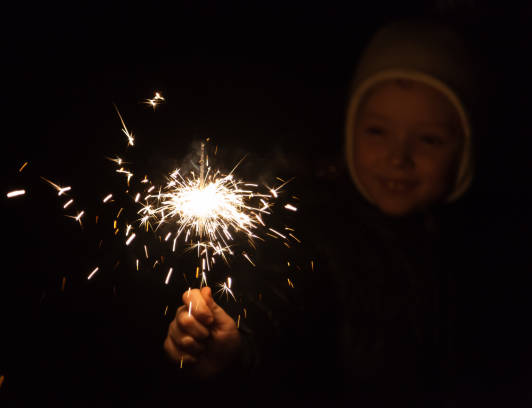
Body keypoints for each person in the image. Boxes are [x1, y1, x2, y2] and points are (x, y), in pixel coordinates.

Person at [162, 20, 516, 404]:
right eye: (378, 132)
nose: (399, 158)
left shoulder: (492, 251)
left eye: (429, 139)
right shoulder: (315, 235)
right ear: (350, 131)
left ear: (465, 151)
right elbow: (286, 329)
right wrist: (235, 353)